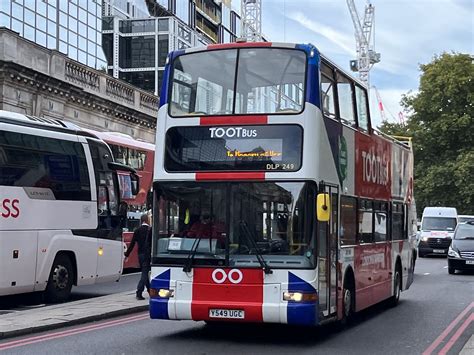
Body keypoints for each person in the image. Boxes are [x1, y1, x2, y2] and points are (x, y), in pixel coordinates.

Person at [124, 213, 151, 300]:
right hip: (147, 254)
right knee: (144, 273)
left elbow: (132, 244)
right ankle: (139, 292)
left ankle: (150, 291)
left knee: (145, 272)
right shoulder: (150, 230)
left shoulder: (137, 230)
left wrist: (127, 255)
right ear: (146, 220)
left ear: (141, 221)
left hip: (140, 254)